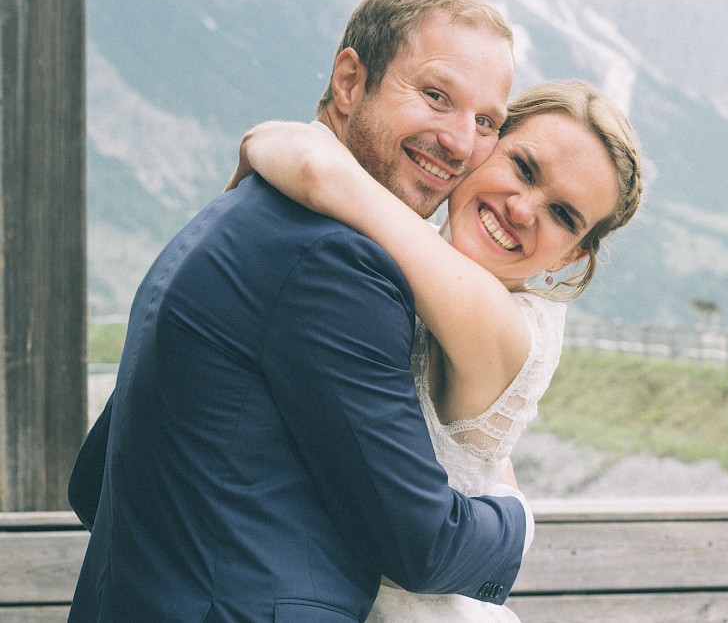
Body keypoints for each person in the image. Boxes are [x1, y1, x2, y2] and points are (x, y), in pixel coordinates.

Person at [66, 0, 530, 622]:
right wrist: (516, 518)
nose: (459, 142)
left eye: (485, 122)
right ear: (349, 81)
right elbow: (425, 546)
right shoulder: (334, 262)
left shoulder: (235, 213)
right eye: (435, 96)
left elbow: (93, 482)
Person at [227, 79, 644, 622]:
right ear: (482, 148)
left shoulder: (509, 325)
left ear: (571, 257)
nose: (522, 208)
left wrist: (257, 144)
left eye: (563, 215)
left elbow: (322, 175)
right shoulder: (427, 268)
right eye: (522, 167)